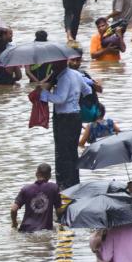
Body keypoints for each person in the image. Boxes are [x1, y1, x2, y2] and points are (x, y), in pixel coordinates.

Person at [40, 60, 92, 189]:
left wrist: (44, 93)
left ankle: (63, 186)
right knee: (72, 152)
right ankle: (74, 183)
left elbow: (60, 99)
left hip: (64, 118)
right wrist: (75, 99)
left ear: (58, 64)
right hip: (76, 116)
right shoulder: (76, 74)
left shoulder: (63, 78)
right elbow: (88, 90)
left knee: (62, 154)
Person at [9, 163, 61, 232]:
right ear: (49, 176)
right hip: (44, 230)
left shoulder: (26, 189)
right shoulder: (54, 188)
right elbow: (59, 211)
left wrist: (14, 223)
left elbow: (13, 209)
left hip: (25, 230)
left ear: (36, 173)